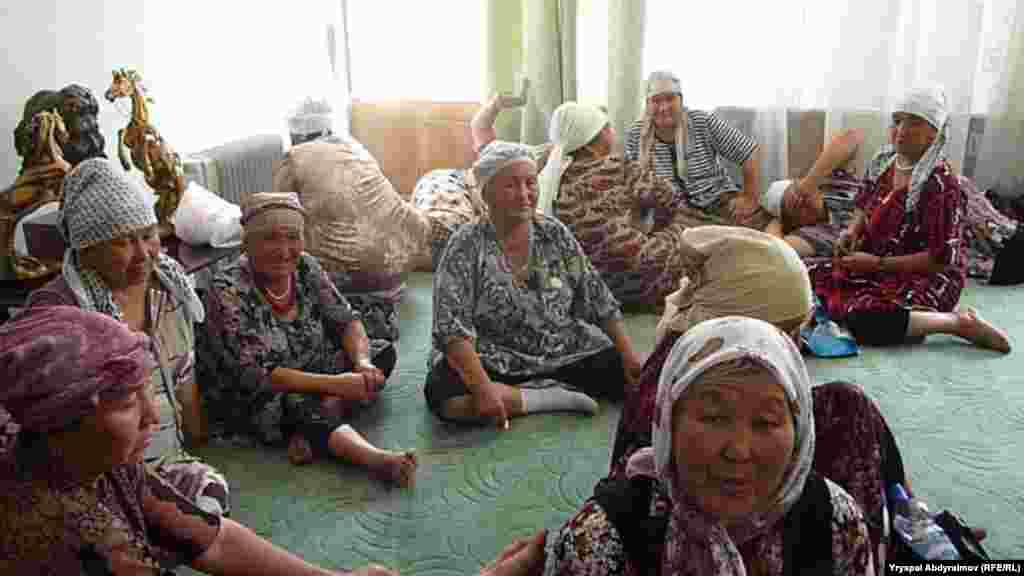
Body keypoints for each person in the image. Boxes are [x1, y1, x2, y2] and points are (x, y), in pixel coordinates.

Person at [0, 306, 397, 576]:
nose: (153, 417)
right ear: (60, 421)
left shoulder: (94, 461)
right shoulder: (68, 533)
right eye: (126, 404)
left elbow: (214, 540)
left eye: (145, 393)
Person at [540, 316, 875, 575]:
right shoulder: (601, 540)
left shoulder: (834, 521)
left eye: (766, 422)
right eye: (714, 418)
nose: (738, 451)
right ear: (668, 423)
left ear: (799, 431)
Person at [24, 157, 230, 515]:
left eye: (148, 235)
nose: (143, 255)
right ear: (86, 249)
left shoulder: (170, 285)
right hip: (97, 471)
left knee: (209, 498)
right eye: (122, 242)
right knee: (153, 524)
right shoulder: (57, 311)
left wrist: (196, 439)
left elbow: (185, 370)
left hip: (165, 456)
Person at [200, 192, 416, 487]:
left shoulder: (305, 266)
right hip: (260, 393)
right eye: (270, 239)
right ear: (247, 243)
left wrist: (362, 363)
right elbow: (261, 375)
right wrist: (338, 385)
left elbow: (347, 320)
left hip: (315, 367)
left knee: (382, 352)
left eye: (293, 237)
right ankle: (377, 459)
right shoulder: (227, 288)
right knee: (295, 404)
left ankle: (313, 426)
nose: (284, 250)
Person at [425, 141, 644, 427]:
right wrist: (482, 388)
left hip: (562, 350)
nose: (524, 194)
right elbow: (451, 329)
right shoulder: (465, 244)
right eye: (511, 185)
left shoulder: (553, 233)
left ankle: (515, 397)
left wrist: (628, 355)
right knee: (443, 393)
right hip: (495, 357)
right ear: (487, 193)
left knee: (636, 378)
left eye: (530, 183)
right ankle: (545, 398)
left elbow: (596, 295)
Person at [809, 86, 1011, 352]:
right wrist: (851, 232)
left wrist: (877, 264)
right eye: (897, 121)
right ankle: (911, 322)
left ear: (934, 132)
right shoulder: (884, 162)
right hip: (876, 264)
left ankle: (957, 323)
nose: (901, 130)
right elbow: (863, 204)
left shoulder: (942, 185)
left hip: (924, 276)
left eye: (914, 122)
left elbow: (940, 259)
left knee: (865, 320)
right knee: (805, 275)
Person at [541, 101, 705, 307]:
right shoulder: (617, 166)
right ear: (592, 139)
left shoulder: (554, 178)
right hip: (649, 278)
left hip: (598, 287)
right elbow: (670, 198)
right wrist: (659, 227)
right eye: (607, 127)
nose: (612, 132)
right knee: (690, 222)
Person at [624, 70, 768, 230]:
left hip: (718, 200)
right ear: (647, 104)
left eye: (670, 98)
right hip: (675, 212)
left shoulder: (701, 121)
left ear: (681, 100)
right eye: (656, 101)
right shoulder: (636, 134)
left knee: (768, 226)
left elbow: (749, 152)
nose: (663, 108)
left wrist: (749, 198)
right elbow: (633, 184)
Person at [761, 128, 867, 256]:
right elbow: (776, 250)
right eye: (794, 207)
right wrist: (775, 221)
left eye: (796, 191)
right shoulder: (816, 234)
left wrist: (809, 183)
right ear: (795, 223)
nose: (802, 200)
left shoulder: (834, 182)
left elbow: (853, 136)